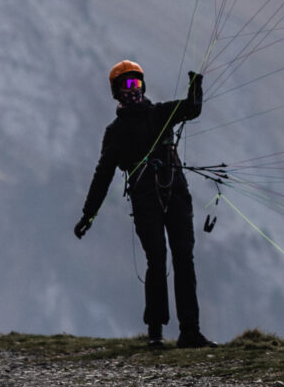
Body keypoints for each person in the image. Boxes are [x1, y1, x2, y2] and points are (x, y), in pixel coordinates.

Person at [74, 61, 212, 349]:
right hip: (145, 200)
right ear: (116, 93)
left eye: (136, 83)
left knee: (184, 256)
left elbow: (192, 108)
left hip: (176, 192)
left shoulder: (160, 113)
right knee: (157, 259)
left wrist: (195, 85)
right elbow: (102, 176)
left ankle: (190, 331)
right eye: (126, 85)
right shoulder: (115, 133)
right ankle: (156, 332)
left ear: (143, 86)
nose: (132, 90)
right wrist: (88, 215)